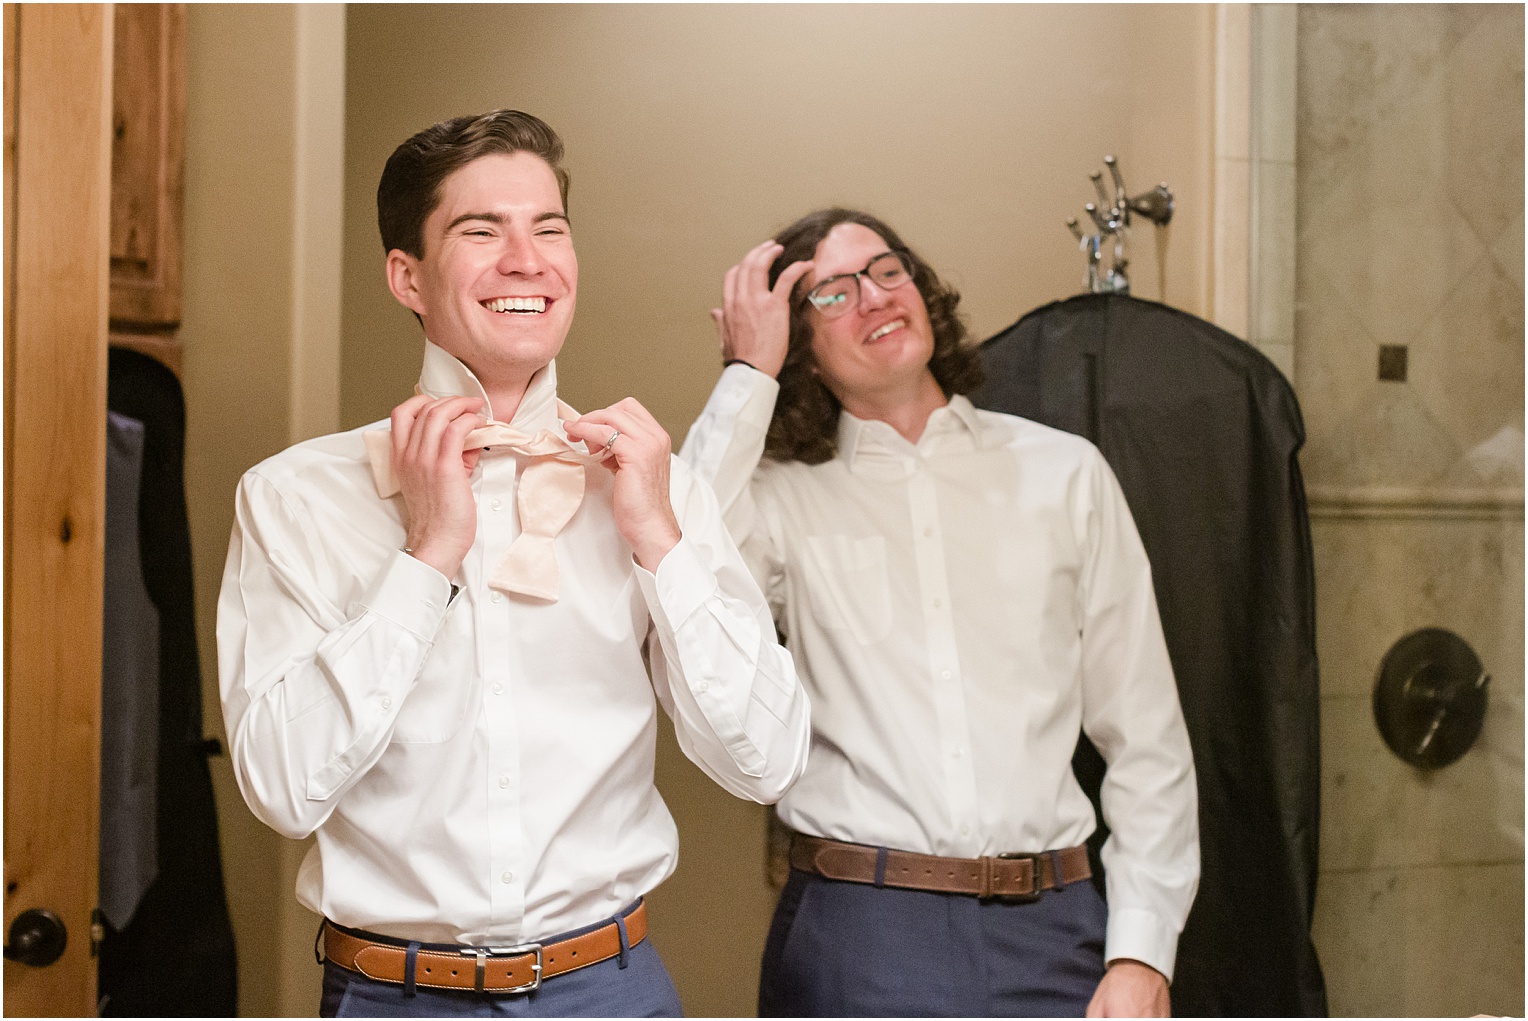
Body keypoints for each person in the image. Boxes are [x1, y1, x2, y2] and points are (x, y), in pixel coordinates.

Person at [217, 110, 811, 1018]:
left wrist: (660, 539)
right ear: (405, 275)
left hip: (612, 992)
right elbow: (283, 788)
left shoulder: (655, 488)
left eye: (549, 229)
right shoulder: (294, 497)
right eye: (481, 230)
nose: (526, 259)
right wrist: (428, 555)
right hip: (393, 997)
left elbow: (766, 762)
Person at [679, 208, 1199, 1018]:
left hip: (1056, 930)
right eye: (834, 293)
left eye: (888, 271)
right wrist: (747, 371)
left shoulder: (1067, 476)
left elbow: (1148, 739)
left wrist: (1141, 952)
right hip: (862, 932)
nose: (876, 297)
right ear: (799, 347)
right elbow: (678, 565)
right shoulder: (778, 499)